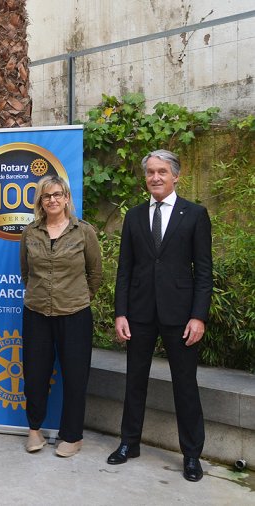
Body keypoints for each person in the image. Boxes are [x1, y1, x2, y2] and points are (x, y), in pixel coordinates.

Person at [107, 149, 213, 482]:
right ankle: (129, 442)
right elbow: (124, 269)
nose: (155, 177)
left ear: (176, 176)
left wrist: (198, 316)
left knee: (185, 385)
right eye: (151, 172)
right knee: (134, 381)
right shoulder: (135, 216)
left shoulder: (195, 214)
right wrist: (120, 313)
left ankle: (192, 454)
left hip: (181, 316)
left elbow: (204, 271)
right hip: (138, 313)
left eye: (162, 172)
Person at [19, 175, 102, 457]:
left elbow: (95, 273)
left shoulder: (83, 232)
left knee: (75, 376)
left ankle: (72, 436)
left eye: (57, 195)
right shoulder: (30, 233)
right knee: (35, 375)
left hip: (75, 314)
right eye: (46, 196)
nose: (52, 200)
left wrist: (78, 297)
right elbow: (26, 273)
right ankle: (34, 430)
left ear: (67, 197)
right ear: (40, 202)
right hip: (36, 313)